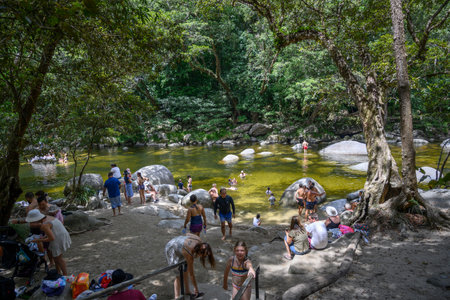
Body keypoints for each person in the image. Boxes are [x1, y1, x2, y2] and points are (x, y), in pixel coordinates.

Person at [165, 234, 215, 299]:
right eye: (203, 256)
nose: (204, 257)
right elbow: (192, 275)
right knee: (178, 275)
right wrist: (196, 289)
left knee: (185, 270)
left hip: (180, 247)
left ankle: (187, 291)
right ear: (199, 252)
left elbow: (188, 234)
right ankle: (177, 297)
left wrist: (183, 243)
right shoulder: (189, 254)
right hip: (171, 249)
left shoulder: (198, 240)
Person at [26, 209, 71, 275]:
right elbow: (50, 231)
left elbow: (51, 238)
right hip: (59, 234)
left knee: (59, 258)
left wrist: (38, 240)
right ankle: (58, 272)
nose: (31, 224)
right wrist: (43, 237)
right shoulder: (46, 217)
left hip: (58, 237)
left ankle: (65, 275)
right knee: (55, 256)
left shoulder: (44, 225)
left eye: (32, 221)